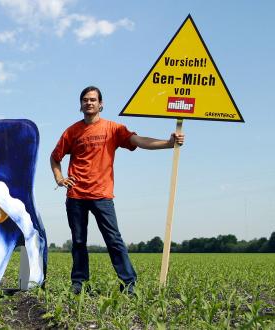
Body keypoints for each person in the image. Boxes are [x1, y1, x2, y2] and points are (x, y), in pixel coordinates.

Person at [50, 86, 185, 295]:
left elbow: (138, 141)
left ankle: (129, 284)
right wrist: (59, 178)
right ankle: (79, 284)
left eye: (93, 100)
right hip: (76, 195)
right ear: (80, 105)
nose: (89, 103)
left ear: (101, 104)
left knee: (113, 240)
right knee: (78, 242)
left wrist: (168, 143)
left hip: (102, 195)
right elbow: (55, 157)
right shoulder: (71, 131)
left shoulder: (113, 129)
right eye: (85, 100)